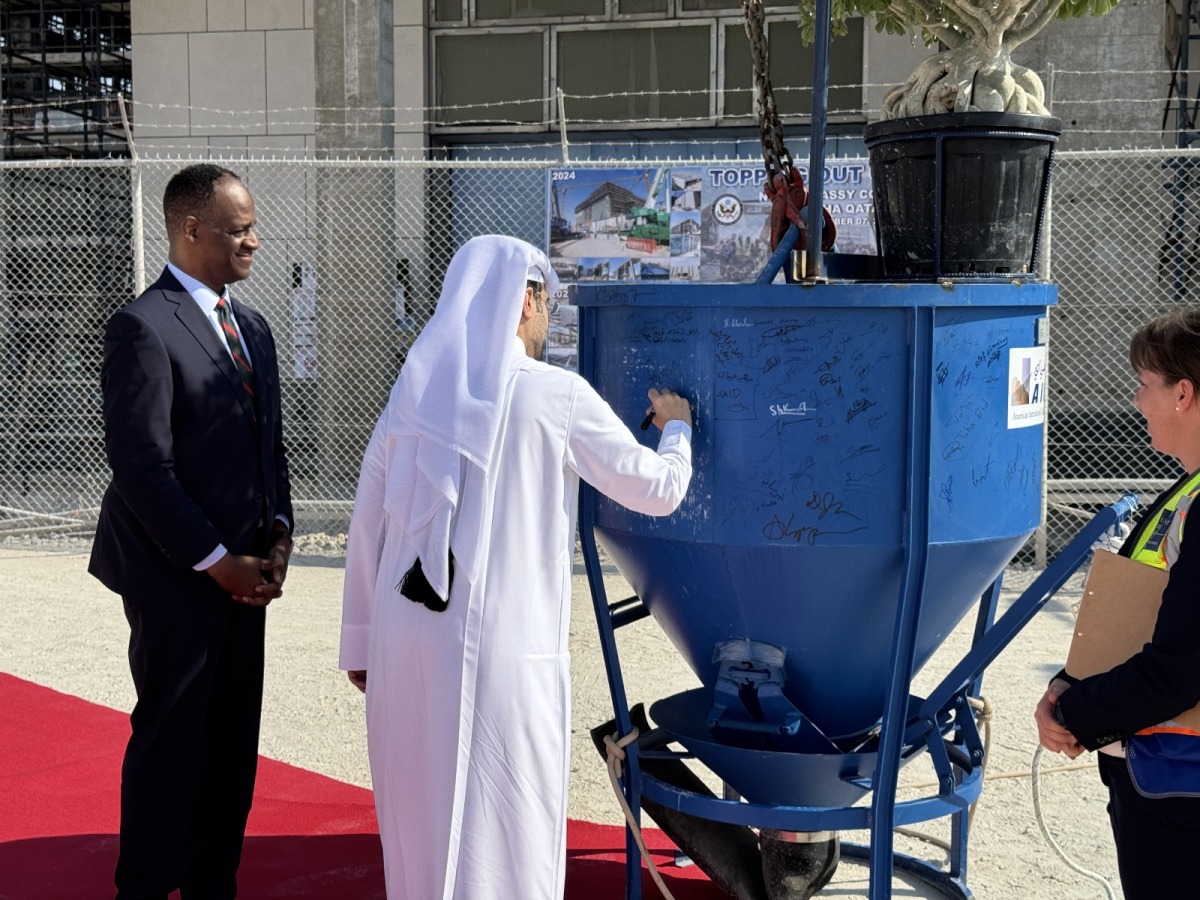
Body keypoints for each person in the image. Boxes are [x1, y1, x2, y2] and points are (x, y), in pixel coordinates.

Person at [339, 234, 694, 899]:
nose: (546, 323)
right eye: (547, 307)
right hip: (502, 651)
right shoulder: (551, 395)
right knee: (506, 826)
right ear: (524, 300)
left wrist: (361, 644)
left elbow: (368, 524)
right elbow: (657, 489)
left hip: (402, 642)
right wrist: (678, 428)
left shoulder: (411, 399)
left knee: (419, 818)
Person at [89, 163, 294, 900]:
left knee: (232, 746)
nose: (255, 242)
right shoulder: (142, 327)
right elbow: (142, 467)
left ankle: (212, 884)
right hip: (176, 576)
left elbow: (270, 446)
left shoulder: (255, 328)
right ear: (191, 229)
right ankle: (143, 886)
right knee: (172, 741)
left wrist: (277, 537)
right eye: (240, 230)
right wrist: (216, 561)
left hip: (245, 579)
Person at [1034, 308, 1200, 900]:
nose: (1135, 400)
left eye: (1144, 383)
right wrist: (1072, 684)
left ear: (1183, 393)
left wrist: (1076, 710)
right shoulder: (1188, 489)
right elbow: (1139, 613)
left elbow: (1181, 667)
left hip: (1180, 788)